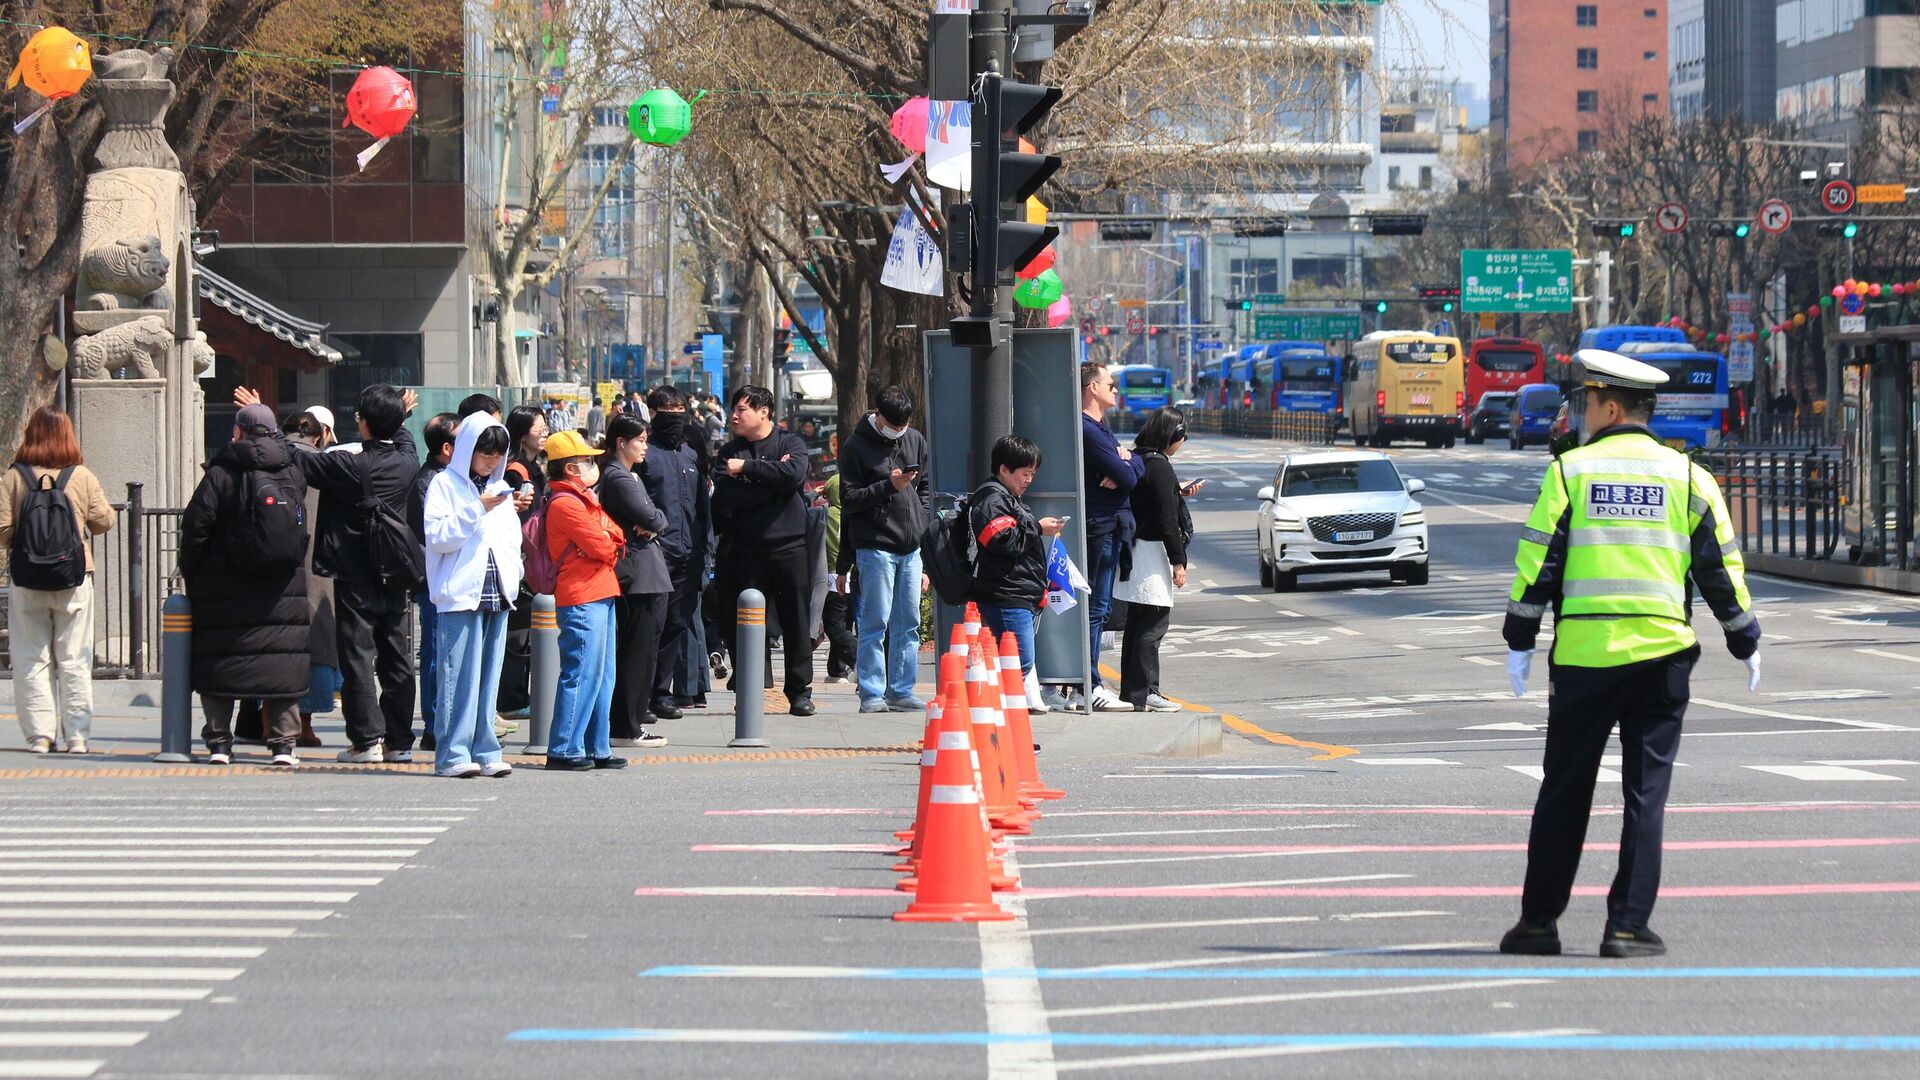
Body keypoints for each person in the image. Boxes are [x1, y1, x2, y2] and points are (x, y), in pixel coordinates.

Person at [1499, 349, 1762, 961]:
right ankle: (1626, 927)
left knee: (1564, 792)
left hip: (1586, 658)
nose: (1583, 413)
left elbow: (1539, 561)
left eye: (1587, 403)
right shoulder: (1691, 477)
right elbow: (1720, 568)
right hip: (1662, 659)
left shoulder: (1570, 474)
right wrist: (1744, 638)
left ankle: (1539, 924)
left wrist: (1519, 640)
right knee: (1646, 795)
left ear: (1610, 406)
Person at [276, 383, 422, 764]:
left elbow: (296, 455)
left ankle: (366, 740)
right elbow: (403, 438)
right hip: (394, 572)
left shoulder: (346, 465)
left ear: (364, 424)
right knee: (396, 656)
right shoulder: (408, 460)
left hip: (354, 573)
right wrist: (400, 414)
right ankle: (399, 741)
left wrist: (269, 425)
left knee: (357, 655)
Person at [178, 404, 312, 766]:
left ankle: (220, 743)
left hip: (223, 588)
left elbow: (196, 528)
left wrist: (192, 571)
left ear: (237, 432)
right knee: (281, 665)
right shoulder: (291, 470)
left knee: (221, 663)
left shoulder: (220, 473)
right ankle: (284, 744)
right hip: (282, 588)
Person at [1, 406, 115, 754]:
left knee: (31, 656)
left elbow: (3, 528)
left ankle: (40, 735)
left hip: (27, 578)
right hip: (73, 577)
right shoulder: (80, 476)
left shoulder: (14, 477)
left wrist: (25, 540)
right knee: (75, 657)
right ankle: (77, 735)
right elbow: (105, 520)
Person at [422, 414, 520, 778]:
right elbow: (439, 538)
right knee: (457, 676)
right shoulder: (445, 485)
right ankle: (452, 754)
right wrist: (477, 508)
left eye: (497, 454)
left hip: (497, 591)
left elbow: (512, 539)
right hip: (461, 593)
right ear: (466, 451)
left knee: (488, 678)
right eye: (484, 453)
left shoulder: (500, 488)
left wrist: (515, 575)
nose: (491, 461)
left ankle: (485, 750)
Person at [710, 385, 815, 716]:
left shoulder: (790, 443)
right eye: (734, 409)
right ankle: (750, 684)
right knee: (744, 621)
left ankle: (799, 691)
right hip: (745, 548)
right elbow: (730, 496)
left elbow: (794, 473)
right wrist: (777, 484)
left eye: (742, 409)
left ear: (764, 411)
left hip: (790, 546)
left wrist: (749, 470)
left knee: (796, 621)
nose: (735, 416)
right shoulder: (728, 451)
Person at [837, 385, 931, 713]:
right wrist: (887, 486)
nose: (899, 431)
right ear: (878, 415)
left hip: (911, 547)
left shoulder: (915, 440)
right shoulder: (856, 446)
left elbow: (927, 488)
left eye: (903, 425)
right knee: (875, 620)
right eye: (893, 425)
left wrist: (922, 520)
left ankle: (902, 689)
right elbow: (848, 499)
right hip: (875, 545)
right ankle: (872, 692)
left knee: (909, 622)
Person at [542, 430, 627, 770]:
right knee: (581, 673)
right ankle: (564, 747)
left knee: (603, 675)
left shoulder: (583, 499)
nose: (595, 466)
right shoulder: (565, 503)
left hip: (600, 590)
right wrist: (604, 542)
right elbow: (606, 545)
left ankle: (596, 746)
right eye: (588, 461)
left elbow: (615, 535)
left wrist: (605, 541)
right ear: (571, 470)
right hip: (581, 595)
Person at [1115, 408, 1199, 713]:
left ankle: (1132, 692)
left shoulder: (1139, 459)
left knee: (1137, 625)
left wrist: (1177, 492)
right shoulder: (1161, 467)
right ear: (1171, 436)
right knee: (1152, 625)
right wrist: (1179, 561)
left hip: (1134, 551)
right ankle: (1147, 691)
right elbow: (1167, 520)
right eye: (1182, 437)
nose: (1183, 442)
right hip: (1151, 556)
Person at [598, 414, 671, 748]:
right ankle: (627, 725)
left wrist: (655, 521)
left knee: (643, 650)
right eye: (639, 440)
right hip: (638, 572)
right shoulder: (619, 477)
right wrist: (654, 522)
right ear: (620, 443)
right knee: (638, 652)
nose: (645, 447)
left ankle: (629, 722)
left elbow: (656, 517)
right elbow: (654, 516)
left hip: (645, 570)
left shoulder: (627, 475)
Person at [969, 435, 1065, 676]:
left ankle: (997, 708)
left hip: (1016, 592)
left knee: (1014, 663)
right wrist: (1038, 528)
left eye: (1032, 474)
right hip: (1006, 594)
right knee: (1016, 663)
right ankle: (995, 709)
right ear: (1004, 469)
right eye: (1025, 473)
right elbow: (1002, 541)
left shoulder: (1006, 498)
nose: (1029, 480)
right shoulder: (993, 499)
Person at [1080, 362, 1146, 713]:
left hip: (1111, 525)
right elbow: (1130, 476)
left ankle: (1088, 682)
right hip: (1100, 526)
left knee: (1101, 609)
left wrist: (1126, 463)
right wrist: (1122, 468)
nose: (1115, 390)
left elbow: (1133, 466)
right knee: (1096, 608)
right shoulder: (1088, 429)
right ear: (1092, 387)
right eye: (1110, 384)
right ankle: (1089, 683)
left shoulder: (1101, 427)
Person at [640, 385, 709, 717]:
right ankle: (643, 692)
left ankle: (661, 692)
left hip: (688, 553)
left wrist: (705, 549)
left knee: (677, 624)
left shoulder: (690, 454)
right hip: (655, 553)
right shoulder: (644, 455)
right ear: (653, 414)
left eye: (680, 409)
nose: (676, 417)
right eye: (668, 411)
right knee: (651, 625)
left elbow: (701, 507)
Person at [281, 412, 335, 748]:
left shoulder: (268, 458)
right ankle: (305, 723)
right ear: (319, 437)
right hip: (319, 564)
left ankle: (271, 719)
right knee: (316, 639)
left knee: (274, 643)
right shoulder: (327, 466)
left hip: (272, 565)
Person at [408, 413, 461, 753]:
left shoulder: (451, 477)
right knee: (435, 654)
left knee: (446, 652)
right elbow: (434, 535)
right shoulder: (431, 481)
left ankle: (444, 720)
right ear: (446, 448)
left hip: (449, 578)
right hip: (436, 579)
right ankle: (434, 722)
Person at [496, 404, 549, 721]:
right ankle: (512, 697)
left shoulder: (529, 466)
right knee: (518, 633)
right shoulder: (517, 470)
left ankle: (516, 695)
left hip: (527, 557)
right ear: (520, 432)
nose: (543, 432)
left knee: (526, 630)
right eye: (537, 427)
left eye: (544, 427)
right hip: (520, 558)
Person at [820, 473, 855, 685]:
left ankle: (856, 655)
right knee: (846, 623)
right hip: (855, 575)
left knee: (834, 626)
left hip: (832, 576)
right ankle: (836, 669)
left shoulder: (824, 515)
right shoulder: (855, 513)